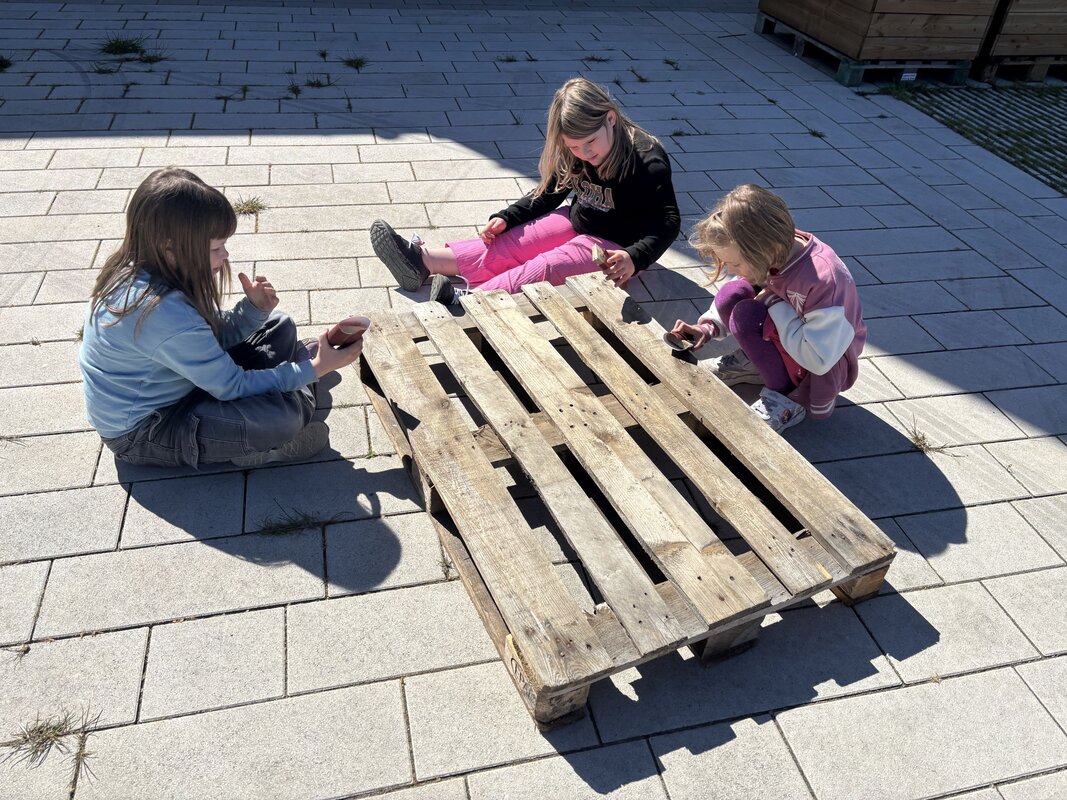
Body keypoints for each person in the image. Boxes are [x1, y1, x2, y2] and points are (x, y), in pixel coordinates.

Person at [79, 167, 363, 469]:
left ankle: (300, 374)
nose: (225, 255)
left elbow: (210, 334)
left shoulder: (144, 268)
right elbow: (231, 386)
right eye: (216, 247)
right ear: (170, 247)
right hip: (146, 430)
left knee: (279, 324)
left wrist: (253, 310)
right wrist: (317, 369)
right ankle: (291, 403)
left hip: (184, 383)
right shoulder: (160, 311)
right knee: (284, 418)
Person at [369, 76, 680, 305]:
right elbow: (549, 192)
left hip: (615, 247)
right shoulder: (576, 148)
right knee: (514, 242)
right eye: (574, 147)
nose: (584, 153)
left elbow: (668, 222)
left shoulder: (646, 159)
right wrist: (509, 217)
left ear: (610, 119)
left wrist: (634, 257)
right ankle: (423, 261)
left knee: (547, 265)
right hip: (577, 220)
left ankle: (471, 301)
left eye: (590, 143)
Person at [670, 184, 866, 433]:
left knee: (747, 316)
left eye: (735, 263)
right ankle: (758, 365)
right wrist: (706, 328)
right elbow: (742, 286)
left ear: (763, 250)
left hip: (823, 360)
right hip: (795, 337)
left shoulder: (823, 280)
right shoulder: (774, 251)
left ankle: (785, 396)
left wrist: (772, 302)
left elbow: (820, 359)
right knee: (733, 293)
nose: (730, 269)